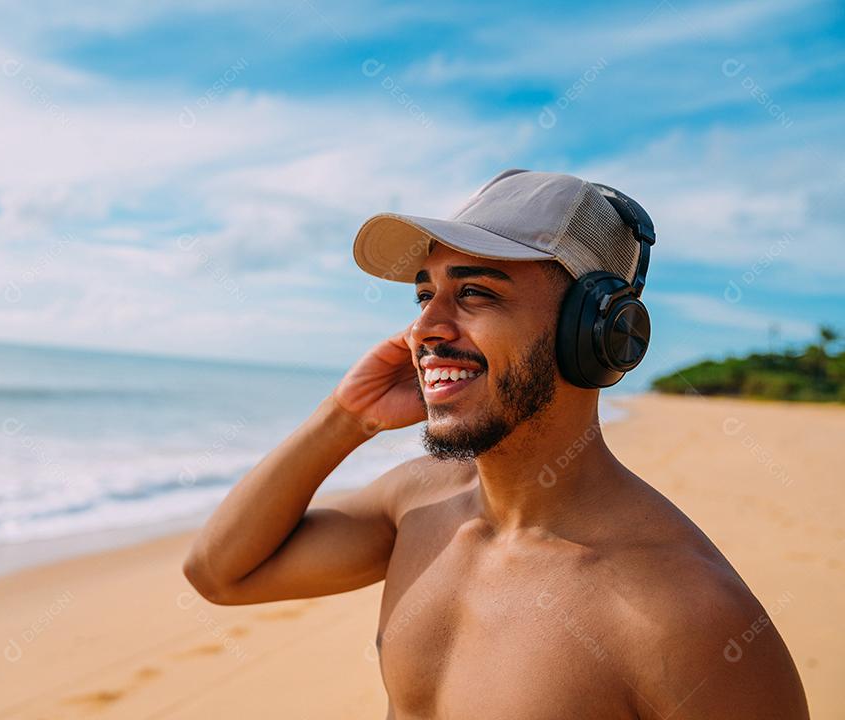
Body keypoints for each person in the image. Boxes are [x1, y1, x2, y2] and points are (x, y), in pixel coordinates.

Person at [183, 169, 809, 719]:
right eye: (425, 294)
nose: (423, 329)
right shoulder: (417, 506)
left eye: (475, 292)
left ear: (597, 332)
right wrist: (346, 417)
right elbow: (220, 574)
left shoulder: (686, 615)